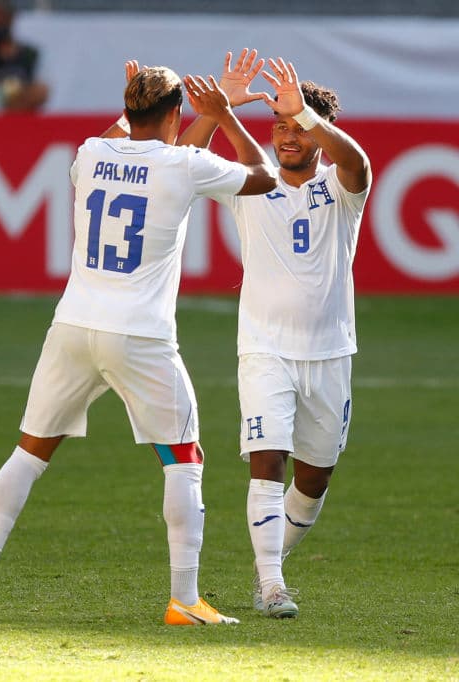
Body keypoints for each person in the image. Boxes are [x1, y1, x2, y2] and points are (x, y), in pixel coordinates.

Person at [0, 63, 277, 625]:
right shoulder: (183, 163)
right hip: (140, 334)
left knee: (29, 451)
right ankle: (185, 599)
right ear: (177, 114)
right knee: (183, 458)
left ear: (128, 109)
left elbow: (159, 155)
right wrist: (223, 115)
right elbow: (264, 176)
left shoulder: (90, 153)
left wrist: (172, 108)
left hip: (74, 326)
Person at [179, 50, 372, 618]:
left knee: (315, 478)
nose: (288, 137)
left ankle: (272, 563)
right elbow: (181, 161)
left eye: (299, 127)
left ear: (318, 131)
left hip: (331, 353)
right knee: (267, 459)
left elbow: (358, 162)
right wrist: (219, 111)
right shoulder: (250, 179)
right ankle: (270, 585)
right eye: (281, 126)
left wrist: (310, 117)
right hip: (263, 349)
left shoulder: (342, 189)